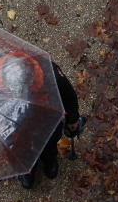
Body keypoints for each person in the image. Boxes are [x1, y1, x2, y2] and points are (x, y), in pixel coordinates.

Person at [19, 61, 80, 189]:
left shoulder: (51, 74)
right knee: (17, 145)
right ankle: (27, 169)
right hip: (16, 118)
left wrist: (72, 119)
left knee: (50, 138)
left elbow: (68, 96)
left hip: (46, 113)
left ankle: (49, 159)